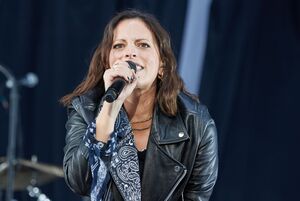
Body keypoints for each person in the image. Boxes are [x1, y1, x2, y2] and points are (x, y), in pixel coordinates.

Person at [61, 9, 218, 201]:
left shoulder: (197, 123)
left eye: (143, 45)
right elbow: (78, 182)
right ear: (107, 62)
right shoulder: (85, 109)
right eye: (119, 46)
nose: (130, 52)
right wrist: (109, 111)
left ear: (162, 66)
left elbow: (197, 196)